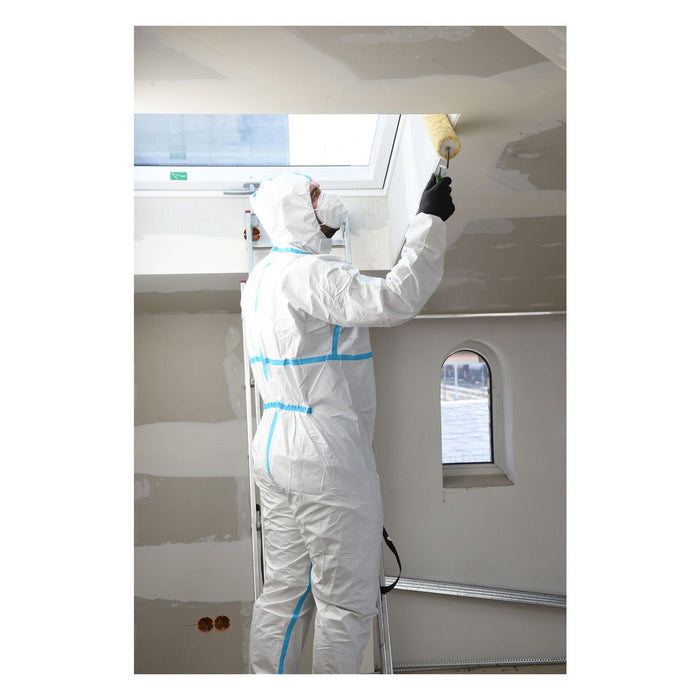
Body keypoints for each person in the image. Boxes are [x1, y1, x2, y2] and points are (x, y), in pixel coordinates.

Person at [241, 171, 454, 674]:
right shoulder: (311, 273)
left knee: (285, 590)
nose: (325, 200)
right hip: (321, 449)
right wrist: (428, 222)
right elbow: (394, 299)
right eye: (313, 195)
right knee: (346, 601)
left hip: (273, 441)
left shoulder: (262, 279)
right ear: (295, 211)